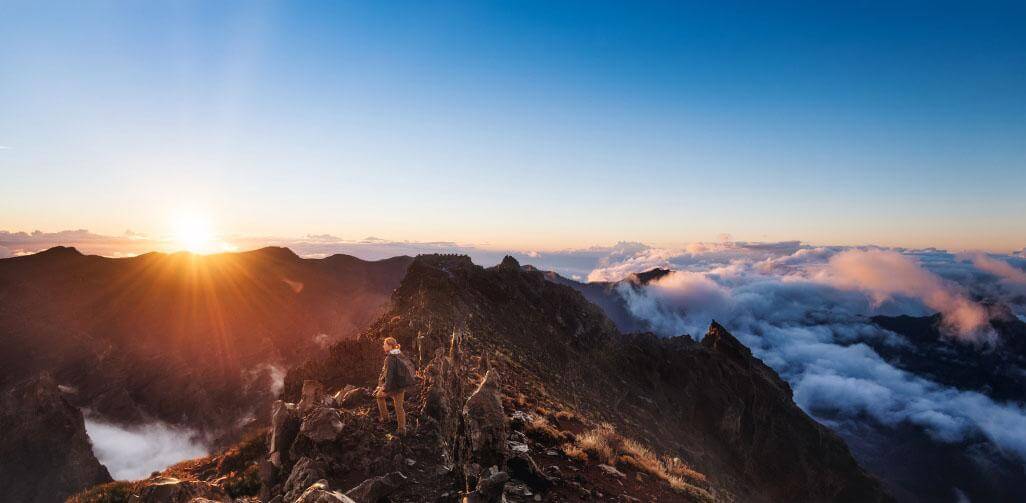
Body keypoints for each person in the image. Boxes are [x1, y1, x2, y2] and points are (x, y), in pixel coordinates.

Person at [374, 336, 416, 434]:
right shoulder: (399, 353)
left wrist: (385, 387)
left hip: (393, 386)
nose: (383, 346)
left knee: (379, 396)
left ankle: (385, 419)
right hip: (401, 386)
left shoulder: (390, 358)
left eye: (384, 344)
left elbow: (389, 374)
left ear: (389, 346)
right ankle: (402, 429)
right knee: (399, 407)